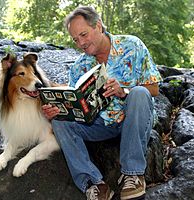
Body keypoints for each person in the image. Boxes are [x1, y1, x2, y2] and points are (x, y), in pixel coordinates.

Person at [42, 5, 162, 200]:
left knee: (139, 93)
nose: (80, 43)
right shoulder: (80, 65)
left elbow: (154, 89)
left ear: (98, 26)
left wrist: (123, 92)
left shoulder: (132, 46)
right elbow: (75, 101)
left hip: (132, 120)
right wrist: (57, 111)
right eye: (75, 39)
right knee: (59, 121)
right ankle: (95, 184)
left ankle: (132, 175)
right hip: (99, 125)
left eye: (83, 34)